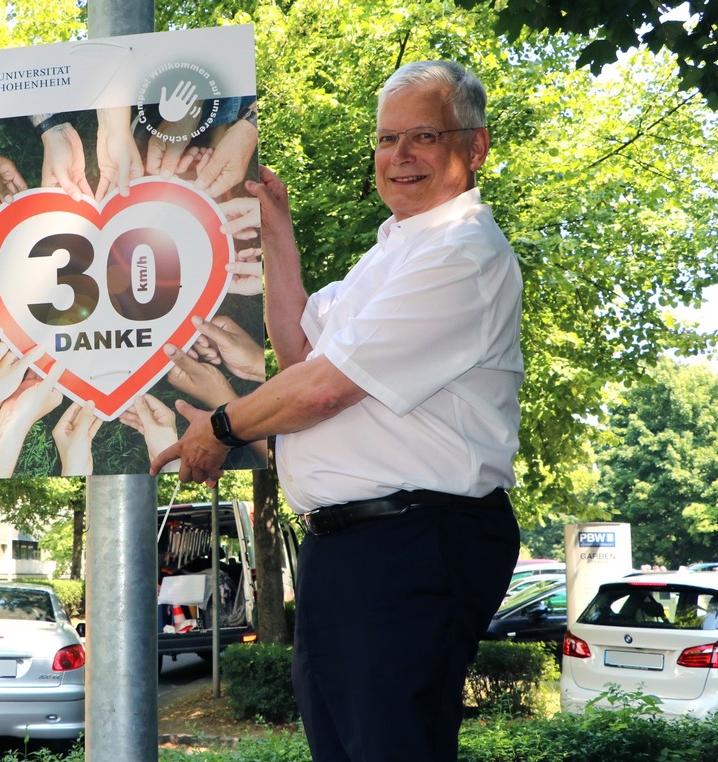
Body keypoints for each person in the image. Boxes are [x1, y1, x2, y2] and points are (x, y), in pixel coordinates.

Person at [151, 60, 523, 762]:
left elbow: (323, 389)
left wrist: (220, 427)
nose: (400, 157)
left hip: (411, 543)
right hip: (355, 550)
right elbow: (297, 350)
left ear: (474, 147)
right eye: (386, 140)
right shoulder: (390, 255)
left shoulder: (461, 253)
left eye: (423, 136)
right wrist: (275, 223)